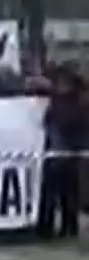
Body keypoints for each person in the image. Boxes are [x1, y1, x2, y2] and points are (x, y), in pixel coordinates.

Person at [38, 66, 86, 240]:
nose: (60, 85)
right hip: (56, 155)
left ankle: (69, 227)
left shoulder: (79, 103)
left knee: (69, 194)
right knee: (55, 193)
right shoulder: (55, 102)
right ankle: (54, 228)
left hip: (71, 154)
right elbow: (47, 122)